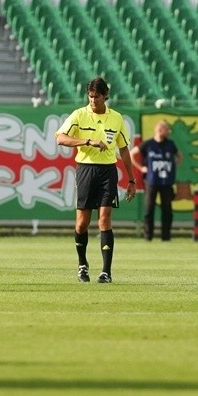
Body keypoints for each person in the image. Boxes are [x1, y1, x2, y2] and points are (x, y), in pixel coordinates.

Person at [55, 77, 136, 284]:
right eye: (90, 97)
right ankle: (82, 264)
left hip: (108, 171)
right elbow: (61, 138)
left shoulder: (116, 118)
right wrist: (87, 140)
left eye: (97, 97)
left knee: (104, 219)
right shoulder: (79, 115)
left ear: (105, 96)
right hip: (85, 170)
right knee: (82, 223)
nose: (93, 101)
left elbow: (124, 149)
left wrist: (132, 179)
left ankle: (106, 272)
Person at [130, 120, 182, 241]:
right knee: (149, 209)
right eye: (166, 129)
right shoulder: (148, 144)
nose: (168, 131)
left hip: (166, 182)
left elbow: (179, 156)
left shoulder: (170, 144)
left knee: (167, 209)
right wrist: (141, 168)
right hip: (151, 181)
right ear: (159, 130)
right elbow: (132, 154)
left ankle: (166, 236)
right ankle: (148, 236)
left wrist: (173, 166)